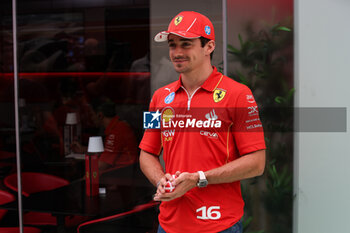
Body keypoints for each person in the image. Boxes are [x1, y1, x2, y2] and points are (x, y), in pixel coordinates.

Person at [139, 11, 266, 233]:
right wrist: (161, 180)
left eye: (186, 44)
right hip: (169, 224)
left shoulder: (238, 94)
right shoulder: (159, 97)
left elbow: (256, 163)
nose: (177, 52)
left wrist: (199, 178)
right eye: (172, 45)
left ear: (209, 47)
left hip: (219, 224)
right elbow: (146, 153)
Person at [72, 100, 138, 171]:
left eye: (91, 114)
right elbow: (107, 152)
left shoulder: (117, 131)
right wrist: (84, 149)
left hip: (121, 175)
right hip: (121, 173)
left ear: (100, 115)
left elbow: (100, 165)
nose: (91, 118)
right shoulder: (118, 127)